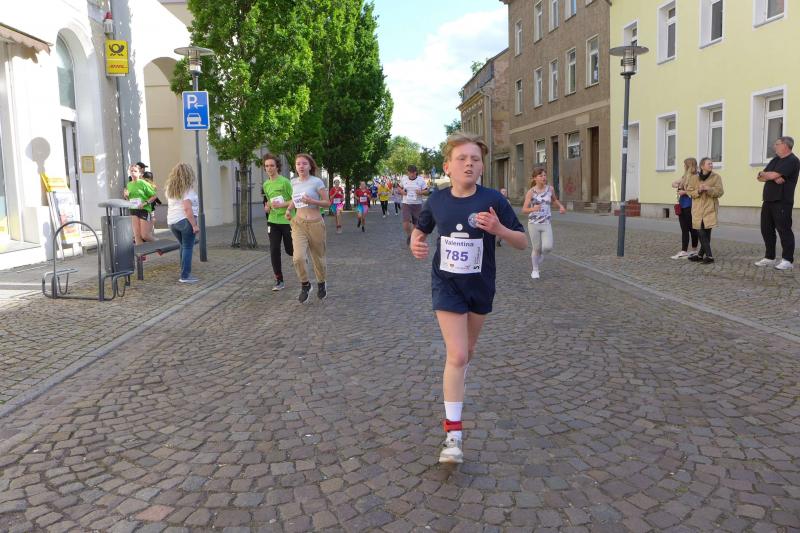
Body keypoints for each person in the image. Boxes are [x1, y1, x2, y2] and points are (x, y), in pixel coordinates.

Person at [410, 132, 526, 464]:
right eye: (461, 158)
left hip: (480, 286)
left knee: (467, 352)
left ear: (482, 167)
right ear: (448, 166)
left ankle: (458, 373)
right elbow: (421, 230)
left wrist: (499, 230)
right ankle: (453, 436)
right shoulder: (437, 200)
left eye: (475, 159)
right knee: (458, 354)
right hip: (446, 285)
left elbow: (521, 242)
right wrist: (415, 242)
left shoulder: (494, 200)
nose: (469, 164)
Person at [285, 154, 330, 303]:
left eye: (304, 163)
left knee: (318, 258)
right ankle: (305, 284)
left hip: (316, 223)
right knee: (298, 257)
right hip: (298, 223)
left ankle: (321, 282)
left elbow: (327, 203)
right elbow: (294, 200)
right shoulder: (293, 182)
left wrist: (312, 201)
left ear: (310, 166)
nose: (301, 166)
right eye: (298, 164)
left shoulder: (317, 182)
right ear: (295, 167)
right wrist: (288, 209)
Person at [755, 136, 800, 271]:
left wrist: (770, 175)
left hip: (782, 201)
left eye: (777, 144)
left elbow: (770, 175)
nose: (774, 146)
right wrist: (769, 175)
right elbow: (759, 177)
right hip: (768, 199)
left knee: (784, 230)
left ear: (785, 145)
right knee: (766, 229)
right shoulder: (775, 160)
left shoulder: (792, 160)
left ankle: (787, 260)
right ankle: (770, 257)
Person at [521, 168, 566, 279]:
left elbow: (554, 200)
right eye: (541, 176)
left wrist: (561, 206)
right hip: (533, 224)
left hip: (546, 223)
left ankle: (540, 254)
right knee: (536, 248)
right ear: (535, 178)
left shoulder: (550, 189)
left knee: (548, 247)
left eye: (545, 175)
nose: (544, 177)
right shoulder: (531, 192)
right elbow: (524, 210)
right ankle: (535, 270)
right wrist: (533, 209)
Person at [262, 154, 294, 291]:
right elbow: (269, 201)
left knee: (290, 250)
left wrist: (282, 205)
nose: (269, 168)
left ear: (277, 167)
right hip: (273, 221)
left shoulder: (285, 182)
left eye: (272, 165)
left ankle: (300, 257)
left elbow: (294, 200)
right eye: (267, 166)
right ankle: (279, 280)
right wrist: (267, 207)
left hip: (287, 220)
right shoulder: (265, 184)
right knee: (274, 249)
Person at [165, 163, 200, 283]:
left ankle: (183, 271)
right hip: (185, 221)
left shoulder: (170, 189)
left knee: (183, 246)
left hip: (172, 222)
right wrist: (194, 225)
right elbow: (187, 209)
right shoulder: (187, 190)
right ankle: (185, 276)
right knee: (188, 247)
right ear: (189, 174)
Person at [686, 157, 724, 264]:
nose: (711, 165)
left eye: (711, 163)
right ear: (702, 166)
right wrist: (698, 190)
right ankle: (703, 255)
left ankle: (708, 256)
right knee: (700, 231)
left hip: (710, 208)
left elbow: (720, 192)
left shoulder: (716, 177)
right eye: (709, 164)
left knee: (706, 232)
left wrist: (709, 189)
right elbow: (689, 192)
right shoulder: (694, 178)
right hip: (698, 209)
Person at [671, 158, 700, 259]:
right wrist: (678, 185)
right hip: (682, 205)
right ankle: (684, 251)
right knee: (684, 229)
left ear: (689, 165)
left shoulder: (696, 176)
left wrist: (685, 192)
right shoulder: (685, 176)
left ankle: (694, 250)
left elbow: (697, 191)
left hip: (690, 205)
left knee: (692, 229)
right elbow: (673, 183)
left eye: (685, 165)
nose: (683, 166)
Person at [124, 163, 157, 244]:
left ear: (139, 173)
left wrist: (144, 203)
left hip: (144, 210)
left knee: (145, 235)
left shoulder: (143, 183)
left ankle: (160, 245)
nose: (133, 173)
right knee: (137, 236)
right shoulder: (129, 184)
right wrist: (126, 196)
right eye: (131, 171)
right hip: (133, 210)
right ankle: (142, 253)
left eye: (135, 171)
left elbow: (154, 196)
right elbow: (129, 199)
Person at [400, 165, 428, 245]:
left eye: (413, 173)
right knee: (405, 224)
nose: (412, 174)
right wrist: (402, 192)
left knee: (416, 225)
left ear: (416, 172)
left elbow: (427, 191)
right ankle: (410, 235)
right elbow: (399, 188)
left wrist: (421, 192)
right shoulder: (404, 179)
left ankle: (413, 237)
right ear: (407, 172)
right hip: (406, 203)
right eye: (410, 173)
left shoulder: (421, 180)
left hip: (417, 204)